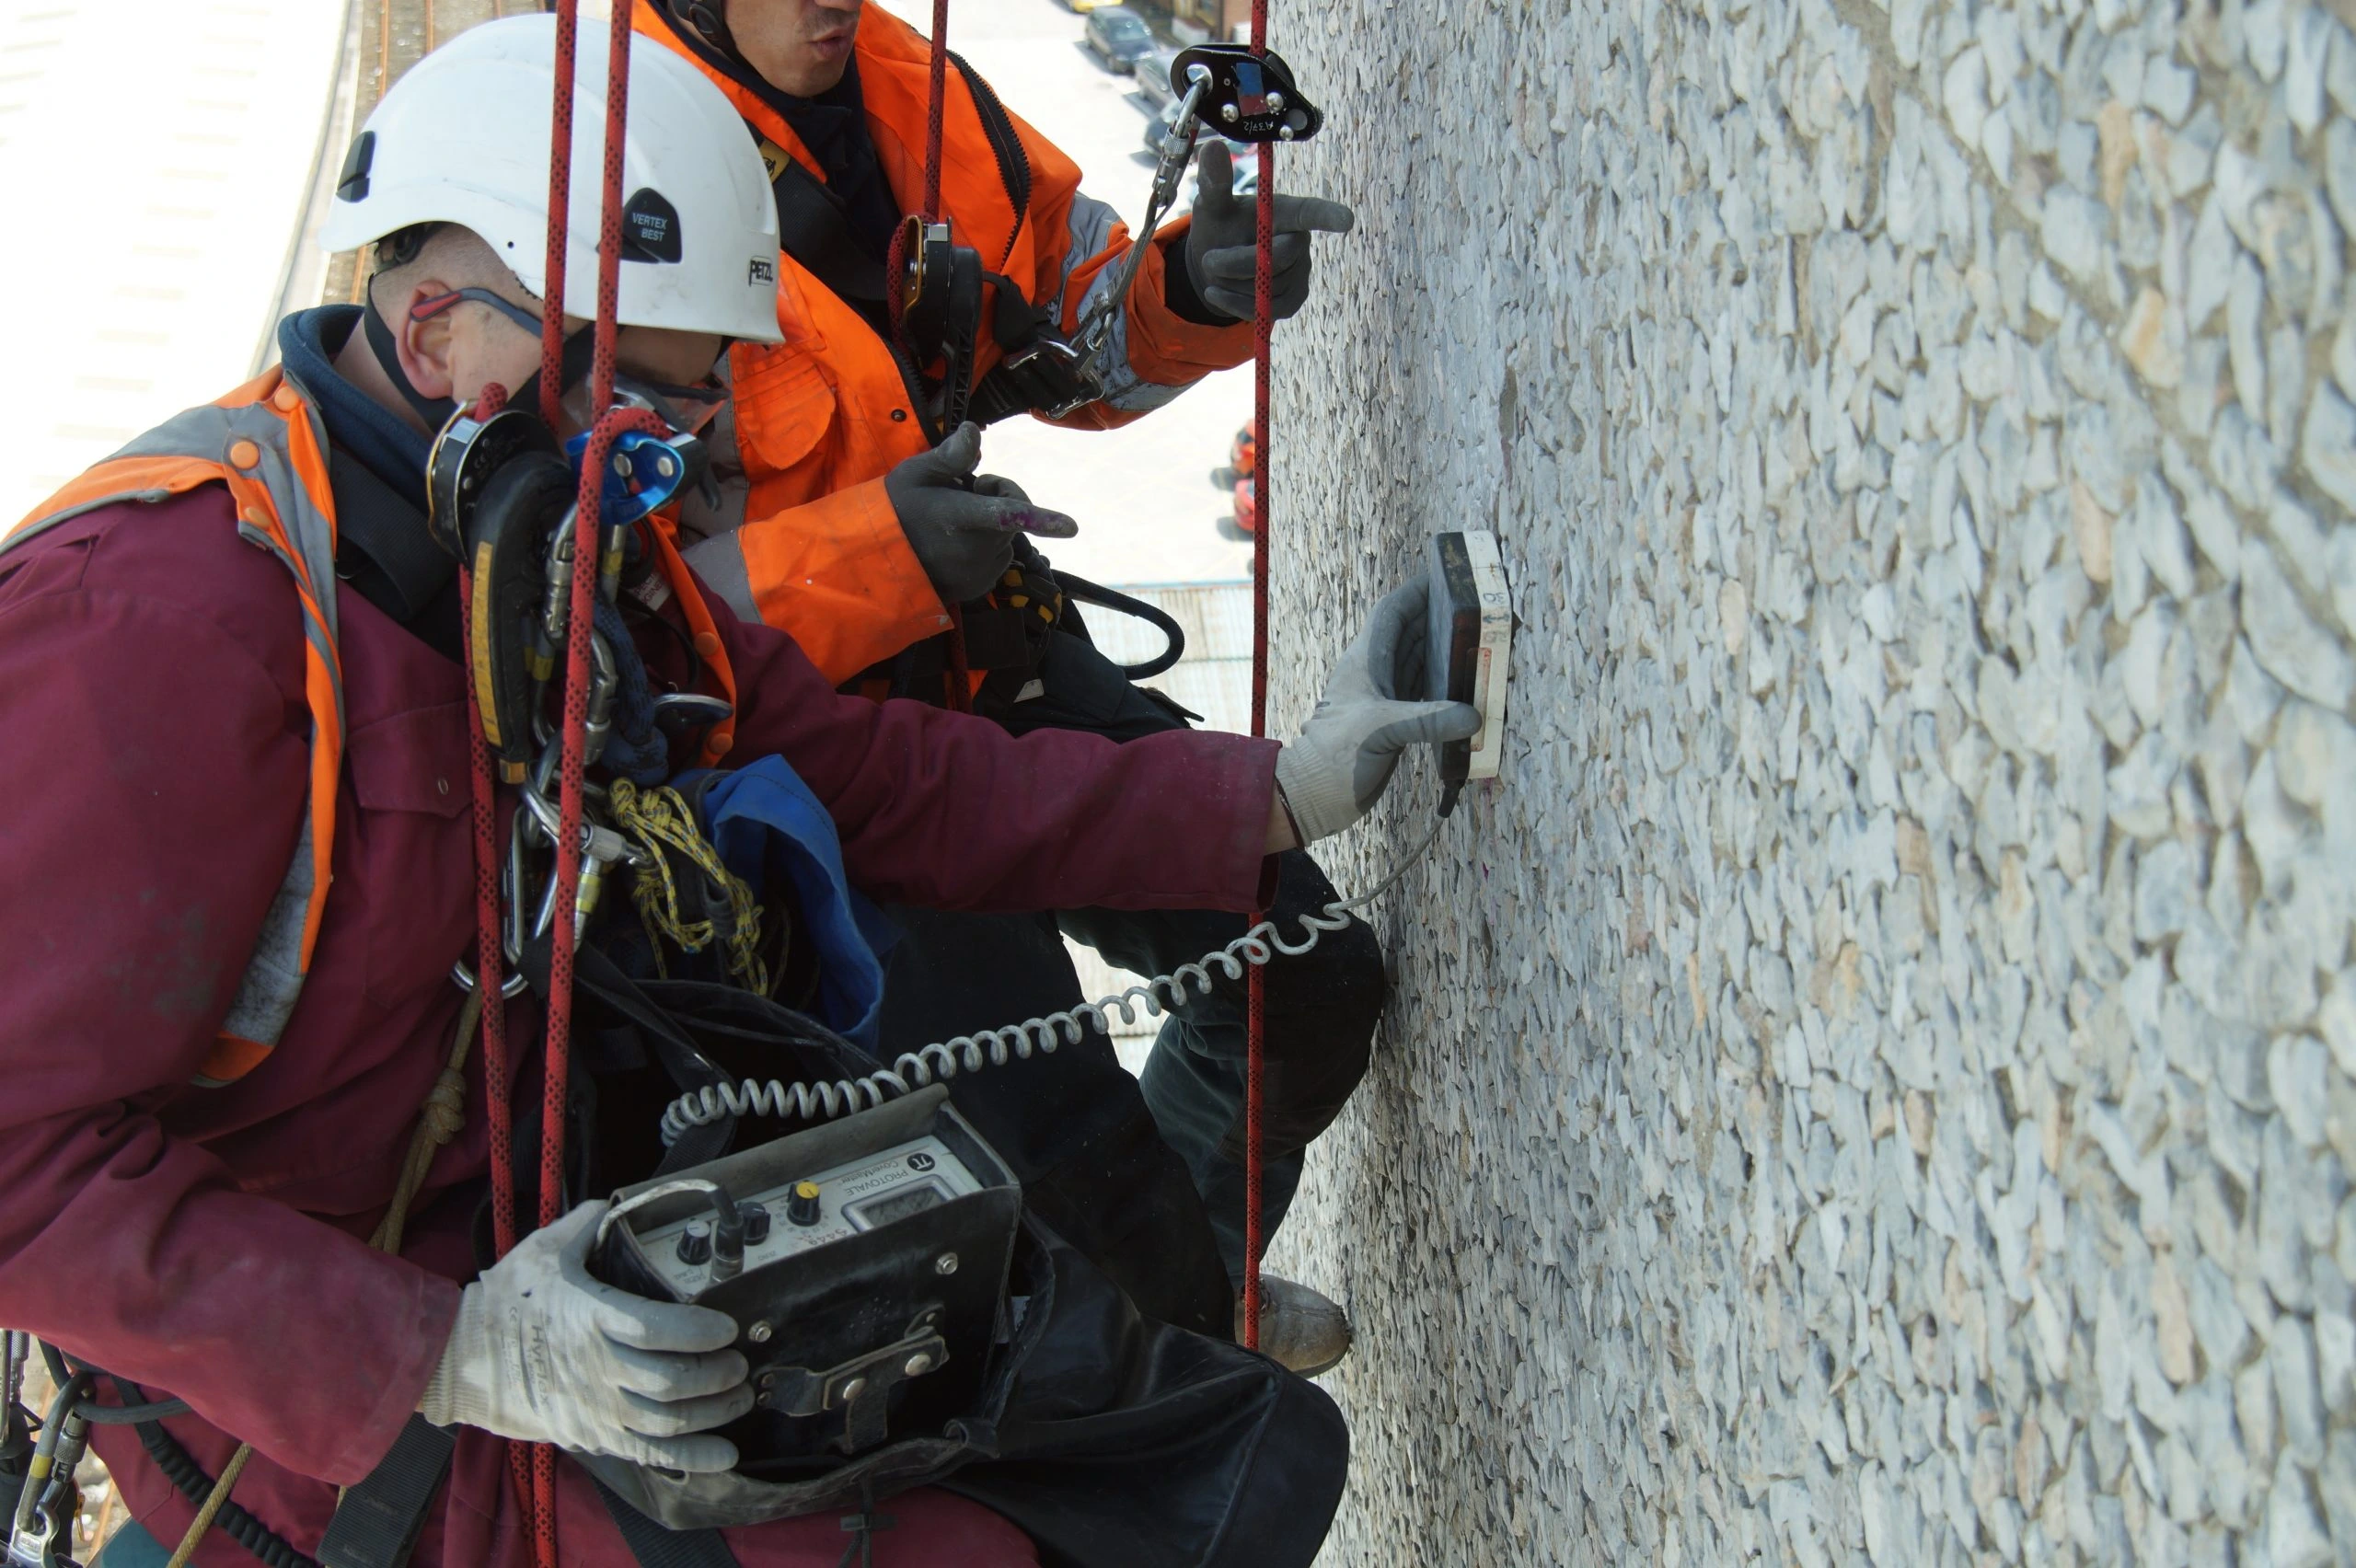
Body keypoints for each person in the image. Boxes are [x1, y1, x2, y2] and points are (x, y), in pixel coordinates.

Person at [0, 18, 1472, 1568]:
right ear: (438, 333)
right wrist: (445, 1351)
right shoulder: (156, 625)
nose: (665, 469)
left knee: (1229, 1454)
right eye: (633, 407)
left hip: (597, 1258)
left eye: (688, 419)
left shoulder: (549, 551)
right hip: (359, 1430)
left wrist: (1269, 798)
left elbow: (866, 777)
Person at [636, 0, 1382, 1366]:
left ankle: (1176, 1298)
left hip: (992, 670)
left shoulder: (912, 93)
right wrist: (877, 556)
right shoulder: (597, 181)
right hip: (814, 783)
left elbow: (1068, 313)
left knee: (1306, 980)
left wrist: (1185, 289)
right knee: (1062, 1153)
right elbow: (633, 621)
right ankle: (1154, 1328)